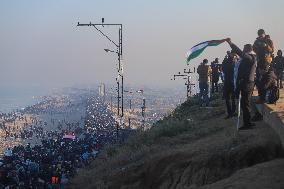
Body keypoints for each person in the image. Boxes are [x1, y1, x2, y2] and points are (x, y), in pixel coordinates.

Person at [226, 38, 257, 129]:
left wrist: (231, 43)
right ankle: (248, 122)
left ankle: (247, 124)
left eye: (244, 49)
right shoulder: (250, 58)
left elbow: (239, 52)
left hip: (247, 84)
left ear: (247, 50)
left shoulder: (250, 57)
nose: (243, 51)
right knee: (245, 103)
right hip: (245, 83)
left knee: (245, 104)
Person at [253, 29, 274, 94]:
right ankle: (261, 95)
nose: (260, 36)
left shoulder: (269, 40)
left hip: (267, 62)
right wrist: (257, 48)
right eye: (259, 35)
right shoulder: (256, 41)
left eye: (261, 35)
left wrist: (266, 46)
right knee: (259, 79)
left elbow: (272, 50)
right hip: (259, 61)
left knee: (265, 79)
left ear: (264, 34)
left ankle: (263, 96)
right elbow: (254, 49)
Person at [222, 52, 238, 119]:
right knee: (232, 98)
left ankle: (230, 113)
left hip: (227, 82)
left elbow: (223, 69)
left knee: (228, 98)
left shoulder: (226, 62)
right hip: (233, 82)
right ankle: (233, 112)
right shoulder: (236, 62)